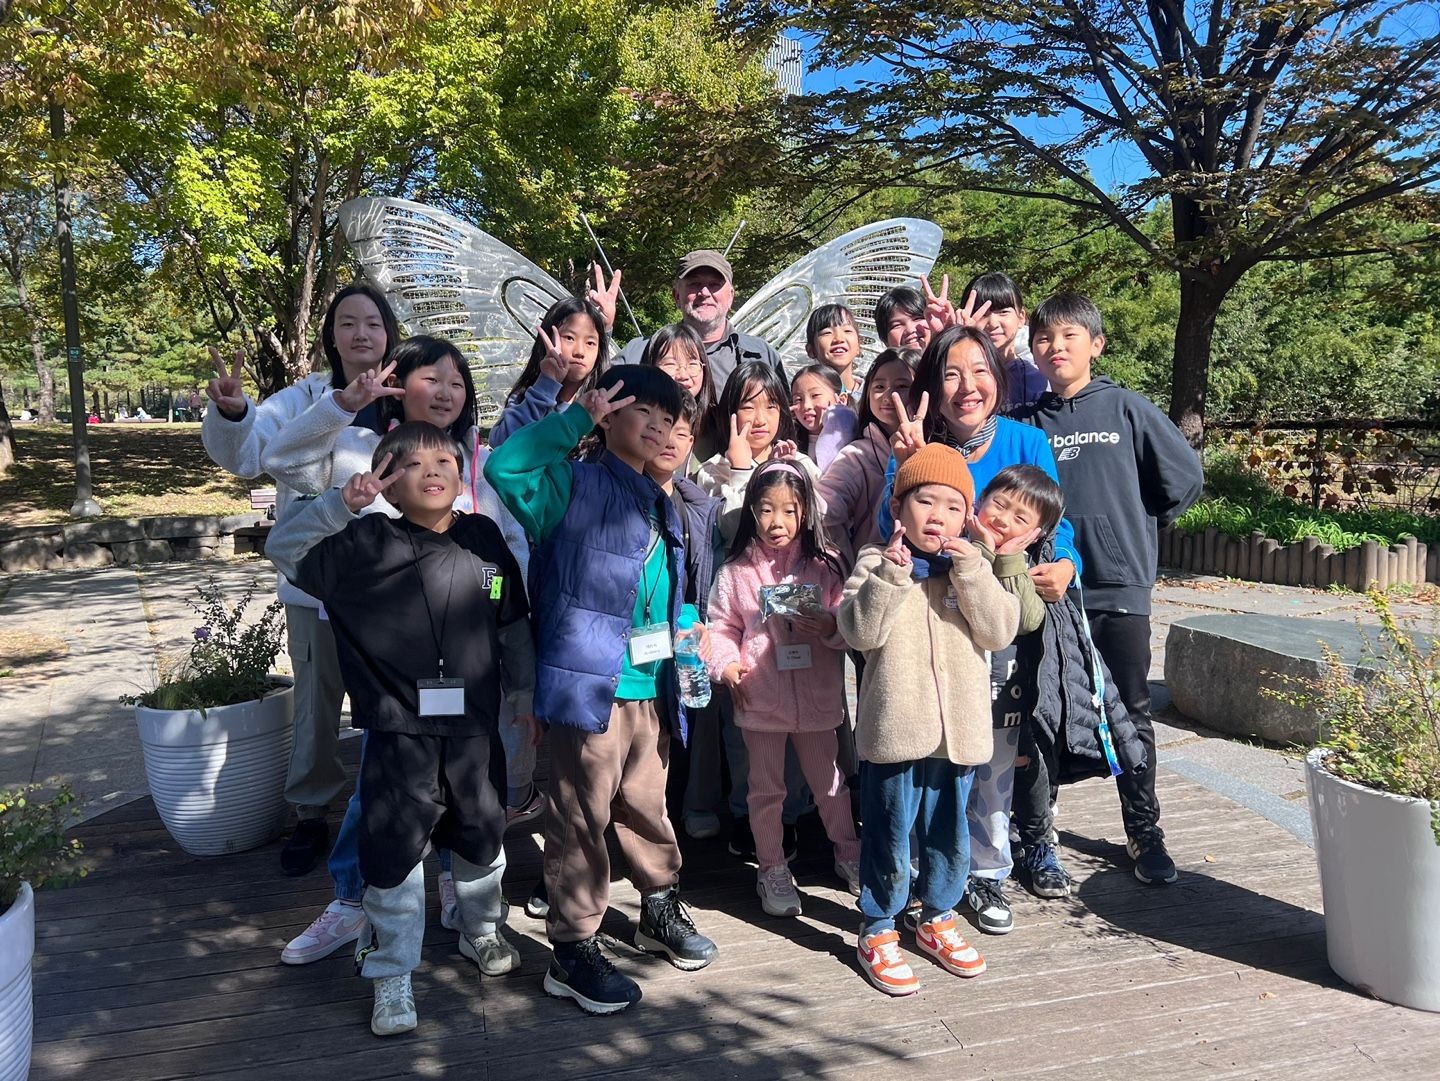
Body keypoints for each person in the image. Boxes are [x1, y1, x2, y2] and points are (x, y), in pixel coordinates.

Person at [259, 334, 540, 964]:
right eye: (430, 378)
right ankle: (361, 912)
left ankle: (471, 916)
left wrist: (521, 688)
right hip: (392, 691)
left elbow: (507, 600)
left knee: (473, 816)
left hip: (468, 704)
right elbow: (285, 514)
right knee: (381, 808)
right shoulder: (359, 453)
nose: (445, 391)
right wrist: (341, 496)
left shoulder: (477, 495)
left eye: (457, 382)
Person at [484, 364, 718, 1015]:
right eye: (641, 410)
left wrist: (690, 631)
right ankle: (574, 947)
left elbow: (668, 592)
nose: (659, 427)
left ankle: (657, 907)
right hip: (589, 692)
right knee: (580, 821)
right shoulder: (569, 484)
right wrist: (574, 416)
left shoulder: (662, 498)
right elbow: (506, 468)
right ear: (607, 414)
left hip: (651, 687)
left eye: (670, 419)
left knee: (648, 804)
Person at [877, 325, 1083, 936]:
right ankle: (924, 869)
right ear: (932, 389)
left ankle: (988, 869)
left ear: (999, 375)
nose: (968, 387)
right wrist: (904, 461)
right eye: (950, 374)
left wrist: (1066, 561)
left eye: (980, 371)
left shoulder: (1025, 438)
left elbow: (1052, 518)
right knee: (927, 752)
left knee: (991, 753)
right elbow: (896, 526)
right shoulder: (920, 446)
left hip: (999, 621)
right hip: (929, 623)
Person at [202, 282, 398, 877]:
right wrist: (235, 413)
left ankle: (389, 809)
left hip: (390, 587)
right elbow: (252, 455)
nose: (361, 333)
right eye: (347, 323)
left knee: (389, 705)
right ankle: (311, 813)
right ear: (331, 335)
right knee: (317, 703)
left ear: (389, 332)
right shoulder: (307, 396)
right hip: (316, 580)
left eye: (372, 322)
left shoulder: (404, 395)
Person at [1020, 292, 1204, 886]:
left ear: (1095, 344)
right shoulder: (1028, 425)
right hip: (1049, 591)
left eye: (1069, 336)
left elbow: (1183, 478)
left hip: (1118, 586)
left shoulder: (1127, 408)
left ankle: (1144, 829)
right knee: (1044, 710)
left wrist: (1134, 530)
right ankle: (1038, 830)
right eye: (1044, 338)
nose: (1056, 347)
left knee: (1130, 707)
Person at [838, 444, 1022, 996]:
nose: (936, 514)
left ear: (966, 515)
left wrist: (971, 569)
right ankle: (878, 925)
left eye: (950, 503)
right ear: (900, 508)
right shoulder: (876, 562)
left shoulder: (973, 568)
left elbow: (999, 630)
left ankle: (937, 915)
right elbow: (857, 632)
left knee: (949, 833)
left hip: (957, 734)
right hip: (895, 732)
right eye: (924, 501)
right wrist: (891, 580)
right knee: (889, 832)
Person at [706, 459, 860, 916]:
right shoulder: (736, 570)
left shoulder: (826, 566)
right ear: (751, 511)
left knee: (830, 785)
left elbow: (849, 622)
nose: (778, 522)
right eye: (767, 510)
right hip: (760, 696)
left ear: (806, 513)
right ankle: (771, 867)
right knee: (765, 789)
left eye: (790, 511)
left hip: (816, 697)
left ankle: (849, 853)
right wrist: (727, 665)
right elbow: (720, 627)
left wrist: (829, 624)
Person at [650, 395, 728, 842]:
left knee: (682, 733)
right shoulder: (617, 492)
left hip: (685, 636)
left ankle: (675, 824)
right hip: (632, 646)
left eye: (682, 433)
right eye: (661, 428)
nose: (670, 441)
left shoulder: (699, 504)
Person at [614, 250, 785, 392]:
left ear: (731, 296)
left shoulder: (762, 356)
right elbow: (596, 400)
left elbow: (788, 421)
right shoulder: (639, 353)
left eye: (714, 284)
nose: (704, 292)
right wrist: (603, 328)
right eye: (694, 284)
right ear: (676, 296)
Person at [697, 360, 825, 544]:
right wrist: (740, 472)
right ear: (729, 412)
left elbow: (824, 519)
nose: (760, 420)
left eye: (771, 407)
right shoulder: (713, 471)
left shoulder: (798, 461)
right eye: (748, 407)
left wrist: (785, 474)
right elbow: (731, 531)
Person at [817, 348, 917, 565]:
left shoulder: (941, 446)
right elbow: (827, 504)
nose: (889, 395)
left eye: (902, 386)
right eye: (879, 387)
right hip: (874, 570)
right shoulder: (857, 455)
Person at [488, 296, 609, 449]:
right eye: (569, 338)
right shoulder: (527, 398)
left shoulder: (601, 408)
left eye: (590, 343)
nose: (580, 352)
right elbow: (502, 445)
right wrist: (547, 384)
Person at [962, 272, 1047, 409]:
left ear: (1021, 318)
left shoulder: (1042, 375)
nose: (993, 323)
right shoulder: (955, 376)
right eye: (983, 313)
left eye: (1003, 312)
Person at [641, 324, 715, 465]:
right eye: (670, 364)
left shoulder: (717, 425)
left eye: (692, 364)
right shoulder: (635, 421)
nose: (683, 375)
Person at [789, 364, 855, 470]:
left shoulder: (856, 442)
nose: (806, 406)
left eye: (815, 395)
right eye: (798, 399)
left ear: (842, 399)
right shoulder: (790, 443)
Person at [804, 303, 864, 407]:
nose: (839, 339)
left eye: (847, 330)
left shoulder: (872, 394)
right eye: (827, 332)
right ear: (811, 350)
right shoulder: (807, 402)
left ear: (859, 345)